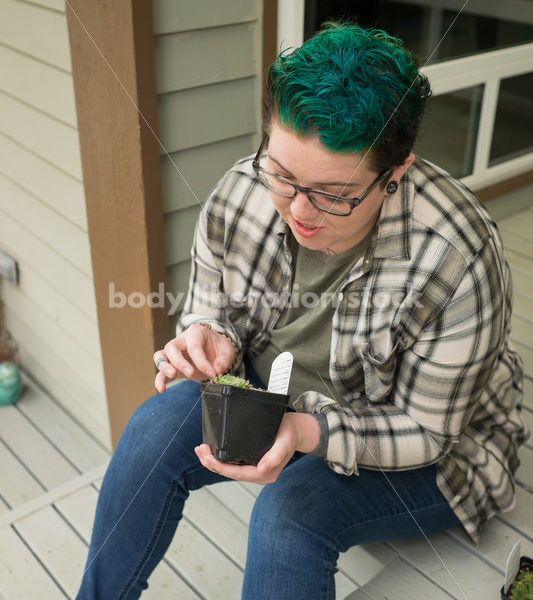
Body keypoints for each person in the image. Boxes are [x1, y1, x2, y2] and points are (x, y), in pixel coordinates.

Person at [77, 22, 529, 599]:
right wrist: (208, 338)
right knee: (150, 432)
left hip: (432, 449)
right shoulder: (243, 190)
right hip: (278, 398)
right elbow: (208, 312)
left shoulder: (458, 257)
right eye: (282, 175)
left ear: (395, 173)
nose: (299, 210)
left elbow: (429, 431)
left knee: (288, 513)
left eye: (334, 194)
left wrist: (304, 431)